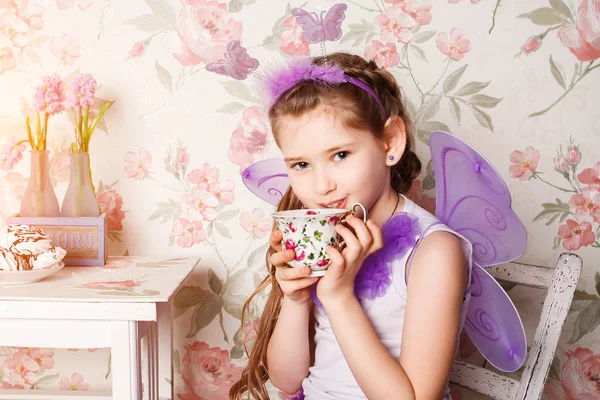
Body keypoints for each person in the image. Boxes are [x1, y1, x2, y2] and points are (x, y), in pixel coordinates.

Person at [229, 52, 473, 400]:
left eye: (340, 155)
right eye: (301, 164)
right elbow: (287, 382)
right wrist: (296, 300)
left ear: (390, 142)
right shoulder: (329, 239)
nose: (321, 185)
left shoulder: (434, 252)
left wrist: (339, 297)